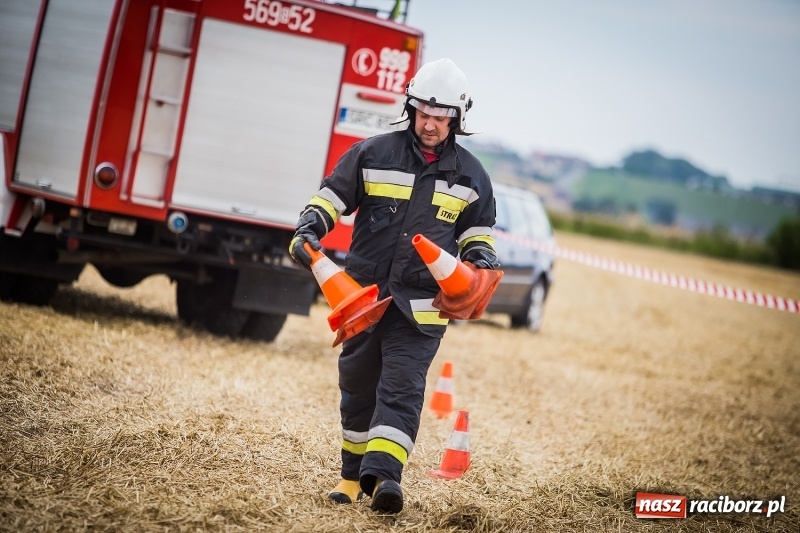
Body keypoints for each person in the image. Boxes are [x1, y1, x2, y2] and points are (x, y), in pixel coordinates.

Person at [289, 58, 499, 514]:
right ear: (411, 107)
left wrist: (480, 258)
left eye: (441, 117)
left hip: (421, 311)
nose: (430, 124)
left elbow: (477, 232)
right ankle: (350, 478)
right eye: (424, 113)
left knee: (401, 389)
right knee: (358, 387)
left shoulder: (471, 176)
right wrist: (310, 226)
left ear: (457, 119)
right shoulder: (373, 153)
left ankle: (386, 479)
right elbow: (332, 196)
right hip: (365, 301)